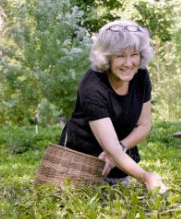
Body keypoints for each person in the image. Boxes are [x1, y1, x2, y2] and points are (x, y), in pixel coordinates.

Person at [60, 19, 166, 191]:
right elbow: (111, 148)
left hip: (120, 168)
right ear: (107, 57)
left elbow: (144, 125)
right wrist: (146, 177)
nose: (128, 63)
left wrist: (122, 146)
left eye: (134, 54)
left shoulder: (141, 76)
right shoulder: (92, 86)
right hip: (82, 171)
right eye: (120, 56)